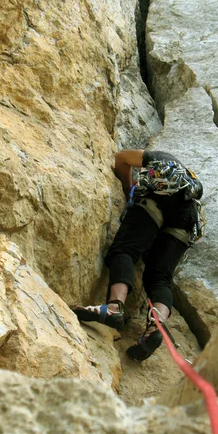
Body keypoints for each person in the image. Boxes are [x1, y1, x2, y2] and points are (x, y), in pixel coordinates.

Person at [72, 149, 203, 361]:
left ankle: (114, 307)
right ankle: (155, 327)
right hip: (187, 216)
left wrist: (127, 187)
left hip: (157, 197)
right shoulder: (190, 184)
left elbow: (121, 158)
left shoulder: (159, 158)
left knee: (125, 250)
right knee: (160, 277)